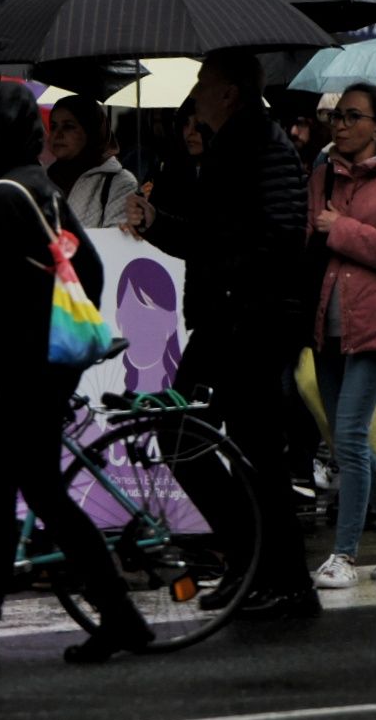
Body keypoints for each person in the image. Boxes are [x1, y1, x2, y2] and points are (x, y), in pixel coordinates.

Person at [0, 81, 153, 674]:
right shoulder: (35, 187)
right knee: (41, 495)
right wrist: (48, 322)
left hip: (27, 373)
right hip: (46, 369)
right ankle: (120, 617)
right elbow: (86, 268)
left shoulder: (2, 196)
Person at [125, 49, 318, 619]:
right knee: (188, 435)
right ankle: (252, 561)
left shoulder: (263, 146)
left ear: (230, 91)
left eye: (204, 82)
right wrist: (158, 224)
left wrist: (228, 276)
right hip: (225, 317)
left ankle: (281, 577)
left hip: (253, 319)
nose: (195, 93)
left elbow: (282, 237)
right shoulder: (227, 147)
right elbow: (209, 238)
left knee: (248, 449)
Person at [304, 82, 376, 589]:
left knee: (352, 438)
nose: (339, 124)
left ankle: (345, 555)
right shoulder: (322, 175)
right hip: (327, 325)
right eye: (335, 116)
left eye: (352, 115)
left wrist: (341, 228)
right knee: (347, 442)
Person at [46, 95, 137, 227]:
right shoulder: (43, 178)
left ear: (91, 131)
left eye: (68, 126)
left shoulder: (119, 182)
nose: (57, 134)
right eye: (53, 126)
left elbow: (115, 241)